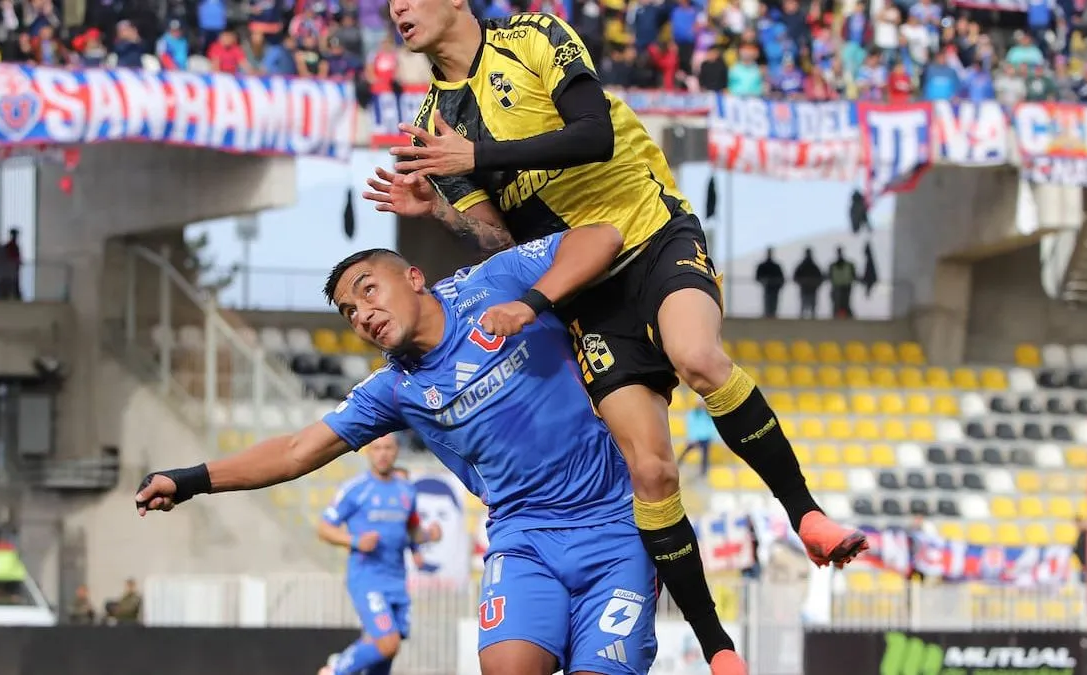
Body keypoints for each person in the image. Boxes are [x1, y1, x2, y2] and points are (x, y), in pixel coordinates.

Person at [364, 4, 867, 670]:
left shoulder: (535, 35)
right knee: (650, 469)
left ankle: (805, 514)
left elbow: (594, 134)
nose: (397, 8)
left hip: (649, 232)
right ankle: (719, 648)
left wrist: (481, 154)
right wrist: (444, 211)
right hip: (584, 288)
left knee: (696, 355)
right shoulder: (434, 125)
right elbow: (504, 239)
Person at [135, 228, 661, 675]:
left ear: (413, 278)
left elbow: (603, 238)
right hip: (525, 542)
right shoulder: (393, 388)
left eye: (369, 291)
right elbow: (297, 450)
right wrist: (189, 480)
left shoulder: (493, 283)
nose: (362, 314)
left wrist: (532, 302)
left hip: (617, 527)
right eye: (349, 312)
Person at [315, 433, 442, 675]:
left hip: (396, 579)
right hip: (367, 577)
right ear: (368, 452)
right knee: (387, 642)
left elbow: (412, 530)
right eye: (377, 448)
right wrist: (354, 541)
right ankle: (335, 669)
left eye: (388, 448)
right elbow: (324, 528)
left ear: (396, 451)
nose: (382, 453)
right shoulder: (355, 489)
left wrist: (428, 536)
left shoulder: (407, 491)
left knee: (387, 650)